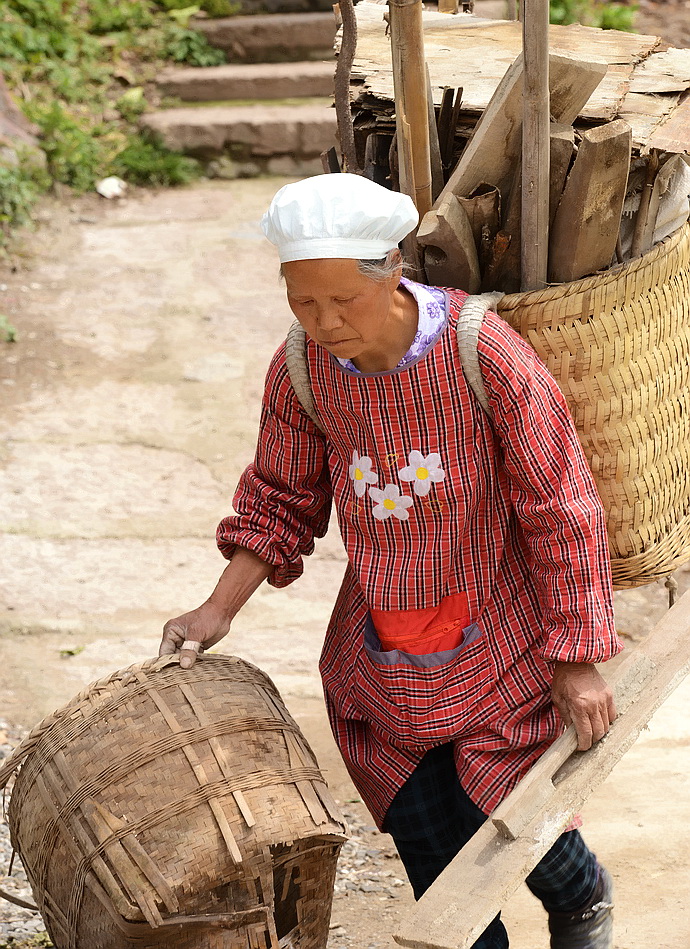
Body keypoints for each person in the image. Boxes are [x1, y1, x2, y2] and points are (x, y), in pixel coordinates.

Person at [159, 173, 622, 949]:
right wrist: (217, 608)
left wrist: (576, 658)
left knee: (509, 810)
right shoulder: (302, 368)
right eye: (303, 301)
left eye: (344, 299)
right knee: (430, 843)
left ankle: (582, 900)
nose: (324, 320)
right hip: (383, 648)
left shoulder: (483, 354)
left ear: (393, 270)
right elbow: (279, 496)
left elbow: (560, 504)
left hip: (497, 632)